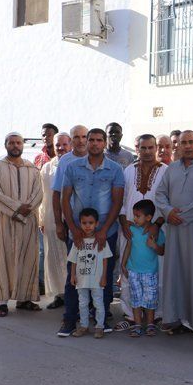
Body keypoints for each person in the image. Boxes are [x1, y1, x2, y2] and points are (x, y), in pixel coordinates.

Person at [155, 130, 193, 343]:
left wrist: (181, 216)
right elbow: (160, 194)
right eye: (184, 143)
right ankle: (177, 319)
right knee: (176, 274)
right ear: (178, 146)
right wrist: (167, 212)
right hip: (174, 230)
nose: (188, 146)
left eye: (192, 142)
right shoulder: (172, 168)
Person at [61, 128, 125, 333]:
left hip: (106, 232)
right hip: (78, 234)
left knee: (102, 276)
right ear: (86, 142)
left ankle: (102, 318)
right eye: (92, 140)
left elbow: (117, 202)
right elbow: (64, 199)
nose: (95, 143)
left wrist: (103, 230)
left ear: (105, 143)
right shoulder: (72, 167)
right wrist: (74, 229)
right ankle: (70, 320)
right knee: (74, 277)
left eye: (99, 140)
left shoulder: (115, 169)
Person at [0, 132, 44, 317]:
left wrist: (26, 210)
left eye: (18, 142)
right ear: (6, 145)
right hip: (5, 221)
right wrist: (17, 209)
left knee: (28, 259)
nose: (15, 145)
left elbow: (39, 194)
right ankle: (2, 303)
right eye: (11, 142)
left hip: (28, 222)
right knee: (2, 259)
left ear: (22, 145)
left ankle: (25, 299)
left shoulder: (32, 169)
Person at [117, 134, 166, 327]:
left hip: (156, 230)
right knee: (130, 269)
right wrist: (123, 222)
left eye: (150, 148)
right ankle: (130, 313)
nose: (147, 152)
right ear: (137, 149)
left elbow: (166, 201)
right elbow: (121, 200)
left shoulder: (165, 171)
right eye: (143, 148)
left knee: (157, 270)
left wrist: (157, 224)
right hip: (130, 229)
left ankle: (157, 313)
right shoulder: (129, 170)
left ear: (156, 148)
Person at [51, 125, 89, 335]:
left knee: (96, 272)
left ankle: (94, 313)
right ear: (72, 140)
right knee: (74, 273)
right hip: (73, 227)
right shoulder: (65, 162)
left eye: (85, 136)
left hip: (97, 227)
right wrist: (59, 223)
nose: (82, 141)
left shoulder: (99, 159)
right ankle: (70, 318)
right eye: (77, 137)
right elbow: (57, 195)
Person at [120, 199, 165, 338]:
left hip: (150, 272)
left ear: (149, 217)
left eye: (138, 216)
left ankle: (150, 324)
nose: (134, 218)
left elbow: (162, 251)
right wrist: (123, 263)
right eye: (134, 215)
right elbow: (129, 246)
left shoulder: (157, 232)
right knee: (136, 298)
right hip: (133, 271)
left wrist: (154, 246)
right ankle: (137, 325)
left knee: (150, 300)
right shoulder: (132, 229)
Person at [67, 208, 112, 338]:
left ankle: (99, 327)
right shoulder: (78, 241)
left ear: (97, 224)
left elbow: (105, 260)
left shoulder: (101, 240)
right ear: (80, 224)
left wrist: (103, 277)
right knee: (82, 303)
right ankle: (84, 326)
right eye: (84, 223)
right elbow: (73, 260)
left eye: (91, 223)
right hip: (81, 280)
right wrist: (73, 275)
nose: (87, 226)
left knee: (98, 303)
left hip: (97, 280)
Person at [40, 132, 71, 309]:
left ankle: (73, 294)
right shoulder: (47, 168)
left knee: (70, 258)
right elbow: (43, 196)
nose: (61, 148)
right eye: (58, 145)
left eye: (64, 144)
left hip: (72, 219)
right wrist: (41, 218)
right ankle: (60, 295)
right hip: (52, 218)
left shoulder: (76, 164)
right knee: (53, 257)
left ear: (70, 145)